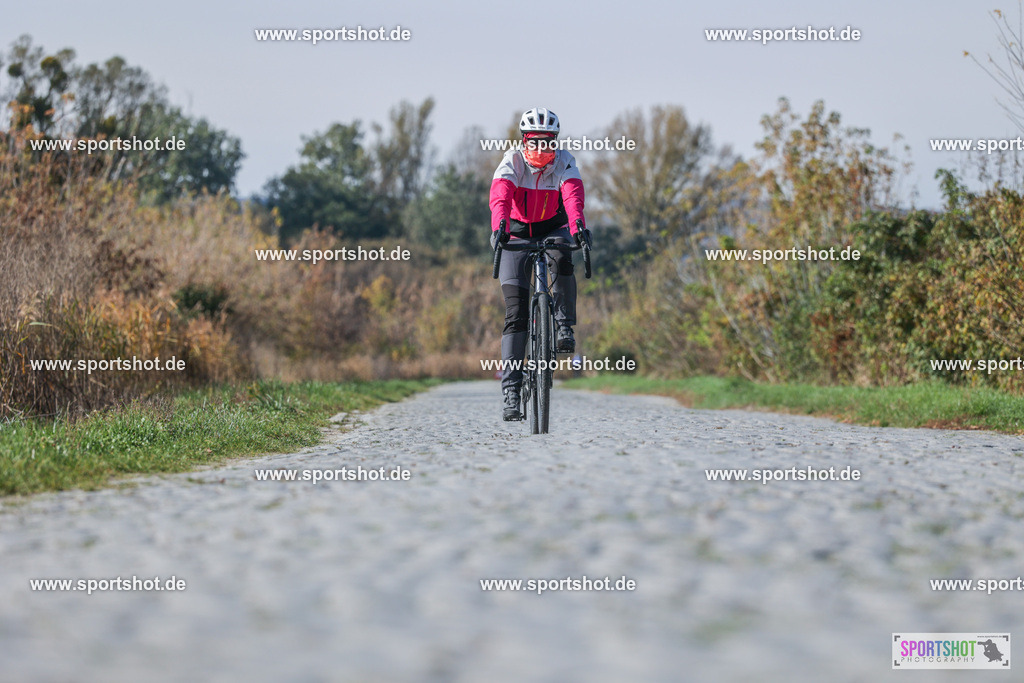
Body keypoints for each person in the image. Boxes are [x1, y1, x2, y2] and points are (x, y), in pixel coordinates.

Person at [489, 107, 592, 421]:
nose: (540, 149)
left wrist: (578, 229)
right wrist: (499, 228)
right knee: (516, 313)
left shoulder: (565, 161)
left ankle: (563, 325)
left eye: (547, 142)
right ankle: (511, 391)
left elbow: (573, 197)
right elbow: (500, 197)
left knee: (562, 256)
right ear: (523, 140)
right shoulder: (511, 162)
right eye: (534, 142)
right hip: (516, 232)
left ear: (555, 141)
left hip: (554, 227)